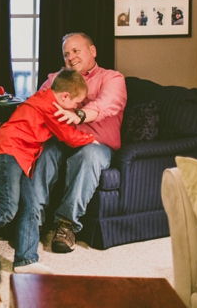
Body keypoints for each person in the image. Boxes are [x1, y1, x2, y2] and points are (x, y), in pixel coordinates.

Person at [0, 69, 95, 274]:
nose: (76, 108)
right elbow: (70, 137)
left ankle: (26, 260)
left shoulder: (42, 99)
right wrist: (93, 140)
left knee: (31, 205)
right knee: (6, 207)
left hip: (21, 159)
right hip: (7, 155)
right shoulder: (52, 107)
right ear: (65, 96)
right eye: (76, 103)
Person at [30, 33, 126, 253]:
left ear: (92, 51)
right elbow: (38, 103)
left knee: (89, 155)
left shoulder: (111, 78)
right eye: (66, 54)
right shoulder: (56, 78)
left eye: (76, 51)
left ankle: (66, 225)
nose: (70, 57)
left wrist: (80, 115)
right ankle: (31, 222)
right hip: (62, 141)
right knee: (44, 152)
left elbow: (108, 102)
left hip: (96, 144)